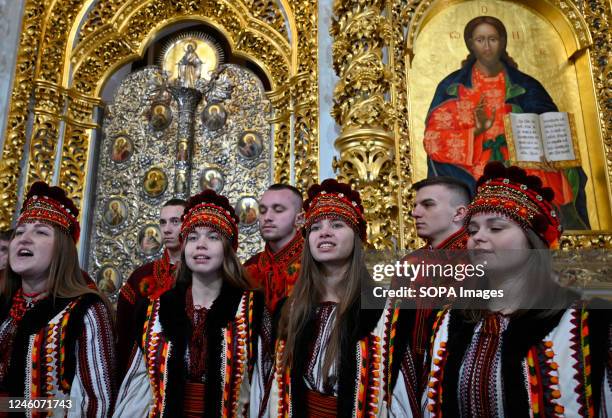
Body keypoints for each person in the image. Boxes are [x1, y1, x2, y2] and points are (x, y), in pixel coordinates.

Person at [422, 162, 610, 417]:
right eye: (473, 230)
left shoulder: (583, 320)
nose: (478, 237)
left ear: (532, 241)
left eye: (496, 228)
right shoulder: (451, 320)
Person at [263, 179, 418, 416]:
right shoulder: (291, 309)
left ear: (357, 237)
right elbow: (272, 393)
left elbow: (400, 398)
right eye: (314, 227)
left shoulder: (387, 312)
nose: (324, 232)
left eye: (337, 224)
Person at [113, 189, 271, 417]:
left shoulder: (252, 310)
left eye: (213, 237)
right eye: (193, 237)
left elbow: (265, 388)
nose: (201, 245)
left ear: (228, 249)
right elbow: (137, 389)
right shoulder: (155, 309)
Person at [424, 15, 589, 229]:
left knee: (556, 179)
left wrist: (551, 153)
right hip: (473, 162)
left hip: (526, 159)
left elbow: (549, 124)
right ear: (470, 44)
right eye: (480, 40)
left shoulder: (527, 85)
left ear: (502, 42)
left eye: (492, 39)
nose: (487, 46)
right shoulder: (453, 86)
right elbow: (433, 140)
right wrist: (476, 131)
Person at [0, 182, 116, 415]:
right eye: (19, 232)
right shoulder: (4, 307)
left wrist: (9, 406)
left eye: (41, 232)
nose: (24, 239)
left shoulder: (85, 310)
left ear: (62, 250)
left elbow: (95, 403)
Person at [116, 198, 186, 378]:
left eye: (175, 222)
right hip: (142, 373)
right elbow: (124, 334)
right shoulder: (141, 276)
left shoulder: (201, 274)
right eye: (163, 222)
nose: (167, 229)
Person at [244, 184, 304, 313]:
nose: (267, 217)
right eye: (263, 210)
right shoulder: (249, 269)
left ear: (299, 219)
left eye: (278, 210)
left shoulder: (316, 265)